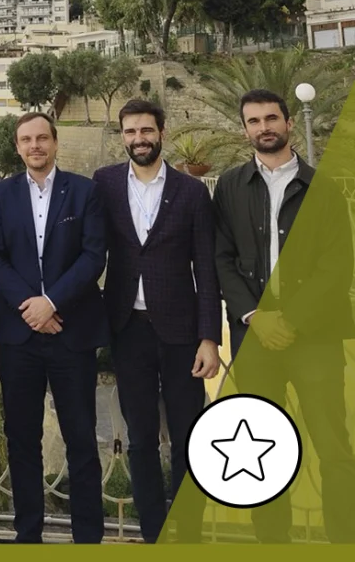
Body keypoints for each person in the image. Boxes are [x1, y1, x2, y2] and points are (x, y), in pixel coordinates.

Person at [213, 88, 355, 543]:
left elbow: (337, 264)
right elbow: (221, 258)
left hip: (314, 339)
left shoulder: (323, 187)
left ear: (289, 123)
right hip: (254, 341)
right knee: (261, 454)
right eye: (253, 121)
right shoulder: (231, 187)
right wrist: (256, 314)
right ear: (244, 129)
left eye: (271, 118)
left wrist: (288, 320)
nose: (263, 127)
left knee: (334, 451)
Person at [92, 99, 221, 543]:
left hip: (183, 333)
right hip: (128, 329)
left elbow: (206, 268)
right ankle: (153, 535)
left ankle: (189, 533)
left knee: (189, 438)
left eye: (146, 130)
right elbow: (90, 251)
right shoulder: (105, 184)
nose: (138, 139)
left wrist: (209, 338)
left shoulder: (191, 191)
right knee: (142, 440)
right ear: (122, 136)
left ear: (161, 132)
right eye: (130, 132)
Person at [0, 112, 108, 544]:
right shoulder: (1, 194)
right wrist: (30, 306)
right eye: (26, 140)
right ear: (17, 147)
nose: (34, 146)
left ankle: (88, 538)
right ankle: (28, 536)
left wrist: (51, 302)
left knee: (81, 440)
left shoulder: (85, 191)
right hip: (20, 336)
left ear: (55, 143)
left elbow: (94, 257)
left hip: (71, 332)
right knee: (21, 439)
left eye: (41, 138)